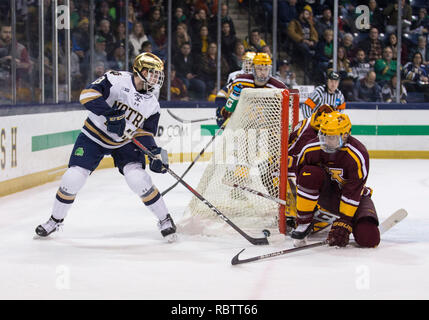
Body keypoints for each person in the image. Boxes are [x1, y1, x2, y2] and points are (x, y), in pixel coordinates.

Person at [35, 52, 177, 242]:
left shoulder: (152, 104)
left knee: (138, 179)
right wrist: (111, 114)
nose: (156, 77)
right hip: (93, 136)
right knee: (73, 177)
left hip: (124, 143)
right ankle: (55, 220)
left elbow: (145, 133)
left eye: (158, 73)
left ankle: (165, 219)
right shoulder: (116, 79)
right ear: (139, 70)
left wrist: (153, 152)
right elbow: (88, 95)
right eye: (151, 72)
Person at [291, 111, 380, 248]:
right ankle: (304, 223)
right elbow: (301, 177)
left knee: (369, 238)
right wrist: (307, 207)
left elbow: (353, 191)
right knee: (309, 173)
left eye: (332, 137)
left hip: (352, 198)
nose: (326, 140)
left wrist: (344, 222)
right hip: (325, 196)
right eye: (324, 135)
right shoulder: (311, 148)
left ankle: (353, 222)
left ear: (345, 135)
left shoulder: (357, 154)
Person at [216, 52, 286, 126]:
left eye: (266, 69)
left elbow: (288, 105)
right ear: (254, 69)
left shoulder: (278, 87)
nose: (263, 72)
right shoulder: (240, 81)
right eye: (259, 69)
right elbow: (222, 96)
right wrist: (224, 113)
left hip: (264, 127)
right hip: (241, 124)